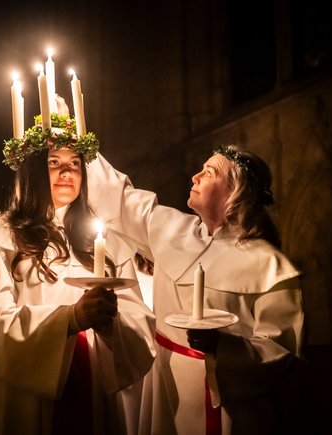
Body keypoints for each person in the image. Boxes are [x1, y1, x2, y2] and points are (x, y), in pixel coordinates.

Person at [86, 145, 305, 434]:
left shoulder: (270, 265)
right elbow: (119, 198)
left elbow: (281, 351)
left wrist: (221, 347)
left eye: (209, 172)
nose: (195, 176)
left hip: (229, 405)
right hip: (165, 387)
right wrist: (70, 135)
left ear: (234, 191)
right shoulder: (173, 231)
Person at [0, 113, 155, 434]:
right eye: (54, 162)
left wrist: (111, 326)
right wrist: (71, 318)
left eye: (75, 163)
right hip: (23, 396)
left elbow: (138, 321)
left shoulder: (103, 241)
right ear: (32, 171)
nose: (67, 172)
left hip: (91, 383)